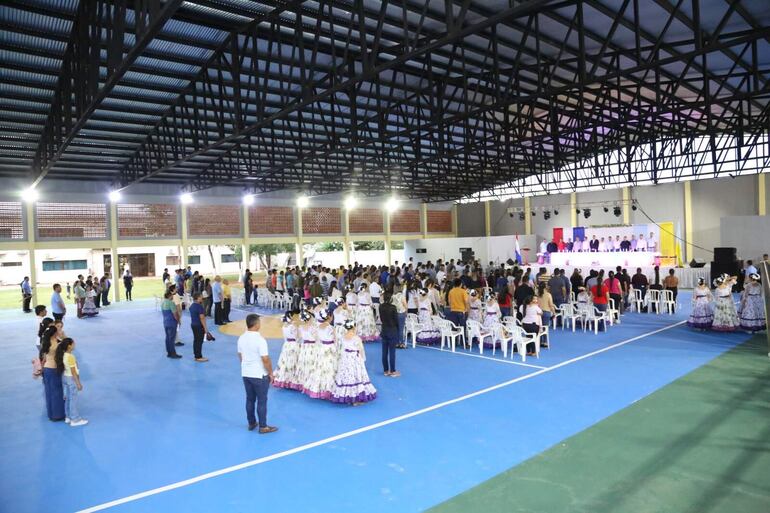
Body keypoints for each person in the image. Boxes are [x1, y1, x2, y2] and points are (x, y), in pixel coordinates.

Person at [237, 314, 277, 433]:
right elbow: (265, 359)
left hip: (246, 373)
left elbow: (240, 355)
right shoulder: (260, 340)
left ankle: (251, 422)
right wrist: (270, 373)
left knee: (250, 399)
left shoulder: (241, 338)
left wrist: (246, 365)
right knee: (262, 400)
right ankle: (263, 426)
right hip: (259, 374)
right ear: (256, 324)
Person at [331, 319, 377, 406]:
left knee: (346, 375)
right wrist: (363, 359)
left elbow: (340, 348)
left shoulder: (343, 337)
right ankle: (356, 397)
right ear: (353, 327)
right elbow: (361, 350)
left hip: (345, 358)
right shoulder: (356, 338)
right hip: (355, 358)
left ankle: (347, 396)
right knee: (356, 376)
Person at [303, 310, 338, 400]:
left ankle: (319, 388)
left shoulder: (318, 327)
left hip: (322, 348)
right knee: (330, 367)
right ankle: (329, 389)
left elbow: (317, 339)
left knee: (320, 367)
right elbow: (335, 340)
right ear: (329, 317)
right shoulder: (331, 328)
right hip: (330, 348)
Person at [55, 337, 88, 426]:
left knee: (68, 398)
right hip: (71, 379)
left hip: (65, 377)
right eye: (73, 343)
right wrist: (78, 383)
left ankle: (68, 417)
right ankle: (75, 419)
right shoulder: (71, 357)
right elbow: (73, 372)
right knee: (73, 399)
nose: (75, 345)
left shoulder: (63, 355)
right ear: (69, 346)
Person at [39, 325, 65, 421]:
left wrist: (42, 368)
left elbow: (44, 357)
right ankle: (58, 415)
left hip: (46, 368)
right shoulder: (55, 343)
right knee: (57, 392)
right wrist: (62, 336)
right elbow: (67, 345)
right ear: (54, 333)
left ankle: (51, 414)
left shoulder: (45, 342)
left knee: (49, 392)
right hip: (54, 369)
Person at [274, 312, 301, 390]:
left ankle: (284, 379)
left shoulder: (284, 326)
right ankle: (292, 380)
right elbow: (297, 337)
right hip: (293, 344)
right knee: (293, 361)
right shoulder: (293, 326)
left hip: (286, 345)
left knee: (285, 361)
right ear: (291, 317)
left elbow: (285, 337)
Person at [379, 292, 400, 377]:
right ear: (391, 298)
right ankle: (393, 371)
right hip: (392, 330)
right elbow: (396, 320)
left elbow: (381, 318)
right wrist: (398, 330)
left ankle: (385, 370)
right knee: (392, 352)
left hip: (384, 330)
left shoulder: (380, 306)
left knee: (384, 352)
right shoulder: (393, 307)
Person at [189, 293, 209, 362]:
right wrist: (205, 328)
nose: (202, 298)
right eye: (201, 297)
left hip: (193, 325)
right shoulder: (199, 307)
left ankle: (196, 355)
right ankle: (198, 357)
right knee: (199, 341)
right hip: (199, 326)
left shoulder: (192, 306)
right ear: (198, 298)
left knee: (196, 340)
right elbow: (202, 318)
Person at [161, 291, 182, 359]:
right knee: (172, 339)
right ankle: (173, 353)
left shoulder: (163, 303)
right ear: (169, 296)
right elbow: (175, 314)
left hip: (165, 322)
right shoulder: (171, 303)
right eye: (172, 295)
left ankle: (169, 353)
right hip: (172, 323)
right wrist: (178, 321)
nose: (173, 296)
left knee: (167, 338)